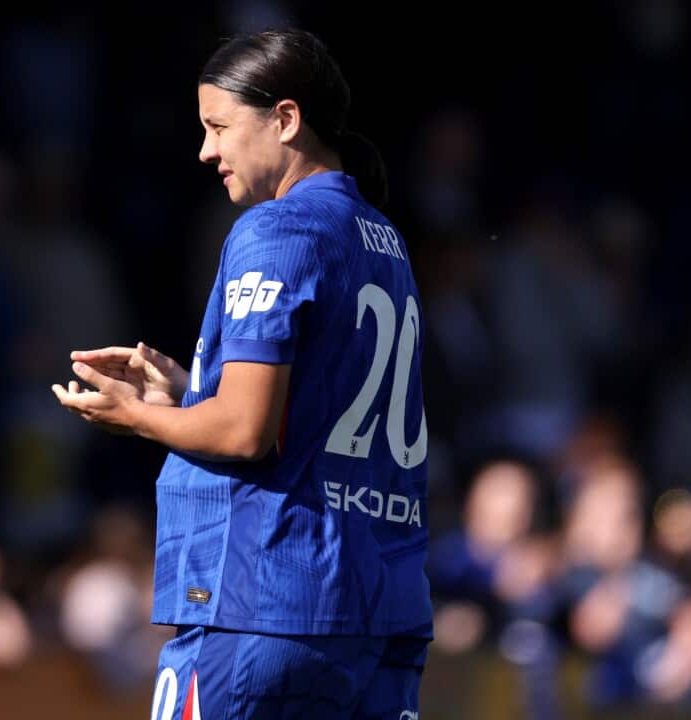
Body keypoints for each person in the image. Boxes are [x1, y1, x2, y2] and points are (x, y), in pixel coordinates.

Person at [52, 28, 432, 719]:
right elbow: (305, 412)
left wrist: (133, 415)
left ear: (285, 119)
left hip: (267, 599)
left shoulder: (276, 229)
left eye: (218, 127)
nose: (206, 151)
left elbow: (243, 431)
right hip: (380, 607)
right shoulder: (384, 238)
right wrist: (189, 396)